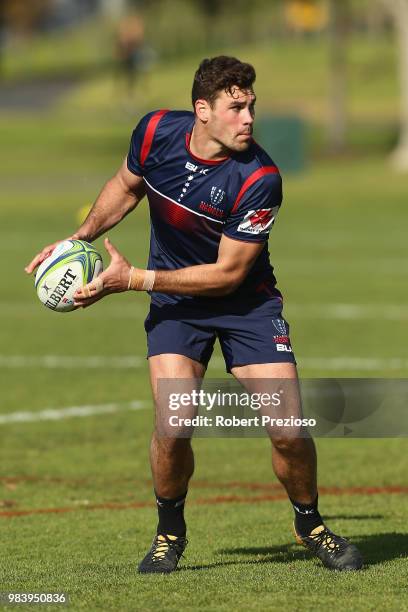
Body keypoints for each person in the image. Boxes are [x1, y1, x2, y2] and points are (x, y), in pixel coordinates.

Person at [25, 56, 363, 574]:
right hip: (178, 305)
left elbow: (228, 274)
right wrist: (78, 241)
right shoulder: (156, 130)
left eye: (251, 106)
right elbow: (125, 186)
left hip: (246, 305)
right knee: (174, 423)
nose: (249, 118)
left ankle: (309, 523)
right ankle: (169, 531)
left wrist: (136, 279)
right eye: (236, 107)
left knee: (289, 430)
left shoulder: (260, 178)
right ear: (202, 110)